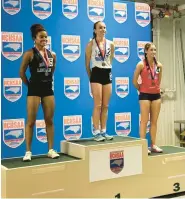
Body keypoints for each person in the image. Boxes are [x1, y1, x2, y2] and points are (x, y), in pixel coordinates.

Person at [19, 24, 59, 161]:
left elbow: (51, 71)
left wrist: (45, 81)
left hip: (48, 89)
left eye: (46, 37)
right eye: (41, 37)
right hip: (34, 90)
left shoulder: (52, 54)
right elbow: (21, 72)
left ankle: (51, 150)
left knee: (49, 120)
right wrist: (30, 85)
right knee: (31, 121)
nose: (44, 39)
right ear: (34, 38)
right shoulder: (29, 54)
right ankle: (28, 152)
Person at [85, 21, 114, 142]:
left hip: (107, 73)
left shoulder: (111, 44)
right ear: (95, 30)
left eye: (104, 27)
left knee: (106, 105)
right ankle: (96, 131)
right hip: (96, 73)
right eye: (100, 27)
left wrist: (107, 68)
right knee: (98, 105)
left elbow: (110, 60)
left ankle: (104, 131)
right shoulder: (90, 44)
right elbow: (87, 64)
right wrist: (91, 77)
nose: (103, 29)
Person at [133, 43, 163, 154]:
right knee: (144, 121)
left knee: (154, 121)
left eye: (155, 50)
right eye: (151, 50)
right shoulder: (141, 65)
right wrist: (141, 89)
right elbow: (134, 81)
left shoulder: (159, 66)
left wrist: (156, 88)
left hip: (156, 95)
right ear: (146, 51)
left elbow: (158, 79)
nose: (153, 52)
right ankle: (143, 145)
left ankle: (153, 144)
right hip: (144, 95)